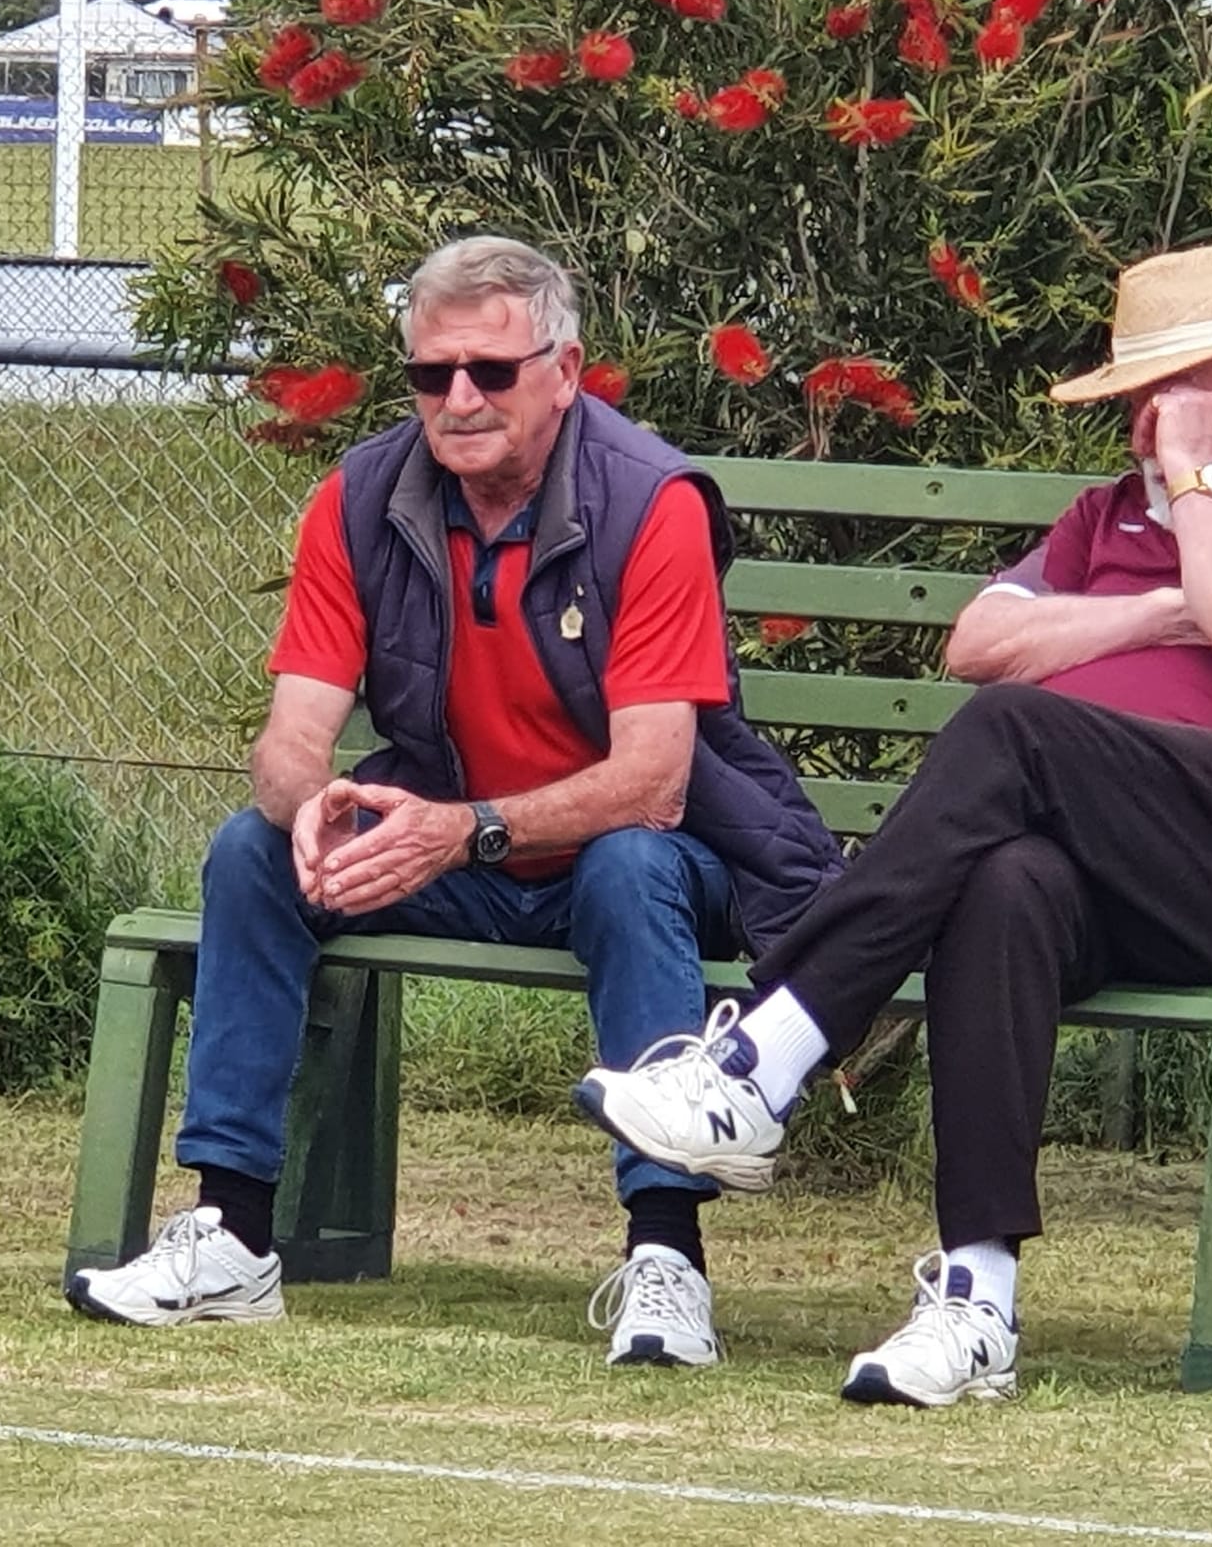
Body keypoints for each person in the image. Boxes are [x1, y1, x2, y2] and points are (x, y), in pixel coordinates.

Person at [573, 242, 1212, 1406]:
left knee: (1011, 731)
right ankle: (976, 1301)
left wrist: (1199, 492)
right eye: (1137, 407)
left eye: (1166, 402)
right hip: (1110, 880)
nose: (1142, 432)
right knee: (1004, 884)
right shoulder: (1101, 522)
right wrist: (1164, 607)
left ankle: (764, 1060)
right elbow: (980, 641)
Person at [67, 235, 841, 1365]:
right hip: (454, 844)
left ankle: (665, 1259)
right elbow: (287, 741)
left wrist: (465, 830)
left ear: (564, 372)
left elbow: (655, 780)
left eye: (490, 370)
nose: (460, 398)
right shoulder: (358, 497)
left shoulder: (654, 501)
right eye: (432, 374)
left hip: (649, 856)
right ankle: (231, 1235)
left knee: (628, 864)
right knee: (252, 852)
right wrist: (312, 804)